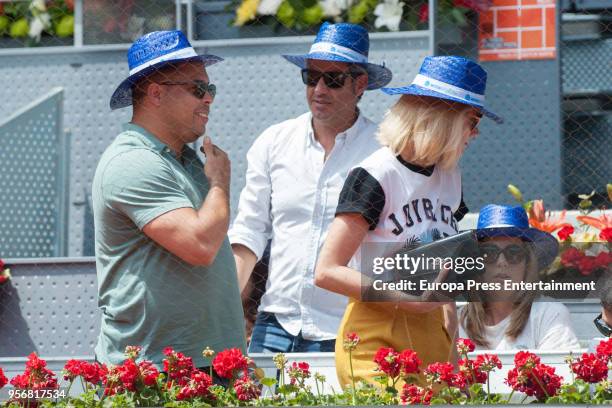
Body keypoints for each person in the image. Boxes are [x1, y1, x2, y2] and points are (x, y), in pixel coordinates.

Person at [315, 56, 502, 388]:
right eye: (472, 120)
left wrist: (453, 357)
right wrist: (407, 299)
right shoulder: (375, 174)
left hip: (433, 336)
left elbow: (446, 277)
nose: (476, 132)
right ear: (441, 118)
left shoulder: (451, 177)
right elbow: (327, 270)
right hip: (375, 337)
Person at [229, 22, 392, 353]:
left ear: (360, 84)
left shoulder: (383, 154)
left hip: (348, 326)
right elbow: (250, 230)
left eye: (332, 79)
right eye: (310, 77)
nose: (319, 89)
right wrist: (225, 303)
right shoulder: (274, 142)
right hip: (275, 322)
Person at [92, 30, 246, 369]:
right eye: (197, 89)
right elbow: (201, 244)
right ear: (156, 94)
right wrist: (219, 183)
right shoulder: (133, 162)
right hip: (156, 374)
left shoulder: (183, 160)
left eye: (210, 89)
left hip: (201, 366)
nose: (209, 99)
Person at [459, 204, 581, 351]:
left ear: (528, 264)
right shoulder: (458, 320)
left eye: (514, 253)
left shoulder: (549, 315)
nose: (501, 262)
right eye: (489, 253)